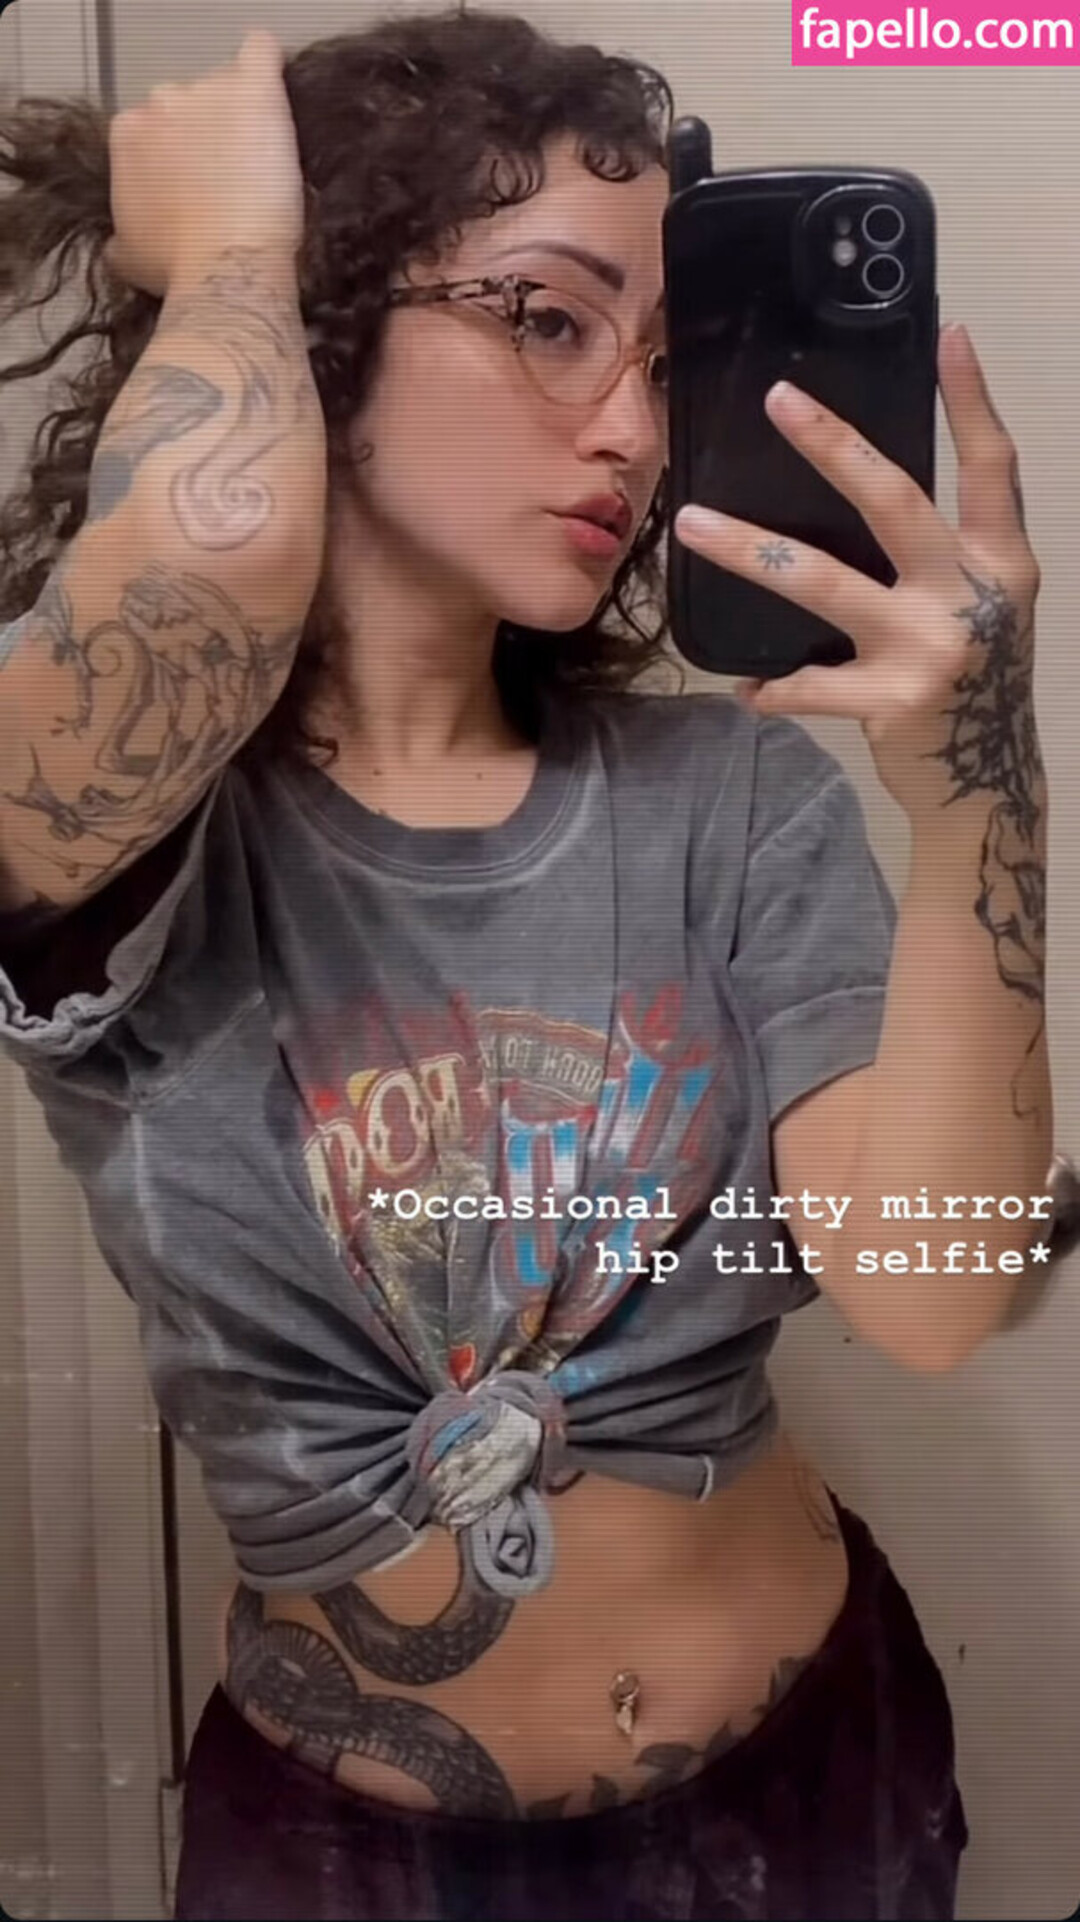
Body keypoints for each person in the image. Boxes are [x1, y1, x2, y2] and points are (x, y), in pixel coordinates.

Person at [0, 10, 1050, 1919]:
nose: (636, 434)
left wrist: (977, 782)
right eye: (548, 319)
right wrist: (232, 249)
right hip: (344, 1863)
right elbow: (204, 580)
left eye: (659, 359)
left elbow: (934, 1292)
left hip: (819, 1787)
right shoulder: (117, 827)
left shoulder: (729, 793)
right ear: (324, 322)